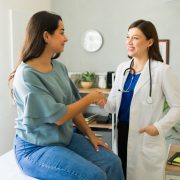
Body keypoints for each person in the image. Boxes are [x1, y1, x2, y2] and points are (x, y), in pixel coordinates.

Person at [8, 11, 125, 180]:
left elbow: (73, 107)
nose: (66, 38)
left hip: (64, 139)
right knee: (94, 176)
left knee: (113, 162)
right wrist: (90, 98)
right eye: (61, 32)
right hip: (35, 148)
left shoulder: (59, 68)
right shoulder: (27, 75)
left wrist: (91, 136)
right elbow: (59, 117)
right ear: (46, 36)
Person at [99, 19, 180, 180]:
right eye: (127, 37)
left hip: (145, 135)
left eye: (135, 38)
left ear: (149, 42)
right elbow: (113, 106)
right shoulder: (122, 68)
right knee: (121, 174)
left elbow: (177, 106)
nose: (129, 42)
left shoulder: (162, 71)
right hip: (121, 133)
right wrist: (103, 102)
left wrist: (158, 127)